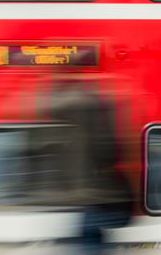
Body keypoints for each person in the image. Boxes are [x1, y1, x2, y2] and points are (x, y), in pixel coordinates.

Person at [44, 76, 134, 255]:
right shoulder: (95, 109)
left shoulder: (63, 121)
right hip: (96, 198)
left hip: (81, 200)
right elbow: (111, 154)